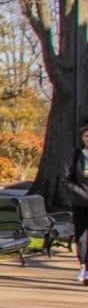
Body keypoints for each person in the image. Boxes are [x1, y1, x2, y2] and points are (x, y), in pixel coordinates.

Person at [67, 119, 88, 283]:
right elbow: (67, 180)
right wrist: (80, 193)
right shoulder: (75, 156)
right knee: (81, 236)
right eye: (86, 135)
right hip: (80, 202)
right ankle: (83, 265)